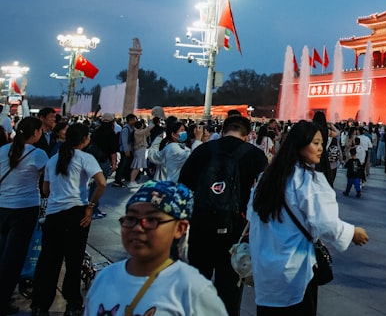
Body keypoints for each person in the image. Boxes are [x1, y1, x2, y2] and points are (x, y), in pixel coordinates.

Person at [249, 121, 368, 315]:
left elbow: (253, 216)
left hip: (265, 271)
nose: (320, 148)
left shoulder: (266, 178)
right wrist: (352, 233)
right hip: (294, 271)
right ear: (299, 145)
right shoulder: (308, 180)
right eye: (315, 143)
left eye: (322, 143)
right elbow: (325, 222)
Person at [83, 181, 227, 315]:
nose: (138, 228)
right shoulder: (105, 277)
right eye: (131, 218)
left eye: (152, 220)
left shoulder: (193, 291)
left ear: (179, 228)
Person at [178, 115, 268, 316]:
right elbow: (265, 197)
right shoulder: (255, 155)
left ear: (223, 129)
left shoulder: (203, 150)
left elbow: (183, 186)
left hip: (201, 228)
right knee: (229, 291)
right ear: (247, 134)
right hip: (235, 232)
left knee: (197, 285)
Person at [31, 123, 106, 316]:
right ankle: (72, 304)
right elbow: (102, 183)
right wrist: (90, 206)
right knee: (73, 261)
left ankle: (40, 305)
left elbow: (45, 191)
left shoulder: (53, 160)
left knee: (49, 261)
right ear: (84, 139)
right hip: (77, 214)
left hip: (54, 216)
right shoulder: (85, 158)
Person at [0, 117, 48, 315]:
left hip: (2, 207)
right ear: (35, 132)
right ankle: (3, 301)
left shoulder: (3, 150)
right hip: (25, 209)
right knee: (13, 259)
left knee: (2, 253)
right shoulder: (39, 155)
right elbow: (46, 184)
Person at [129, 118, 151, 188]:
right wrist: (151, 124)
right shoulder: (137, 132)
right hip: (139, 149)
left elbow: (147, 133)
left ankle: (132, 180)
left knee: (137, 166)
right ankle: (132, 181)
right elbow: (146, 131)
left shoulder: (138, 131)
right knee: (137, 166)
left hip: (140, 149)